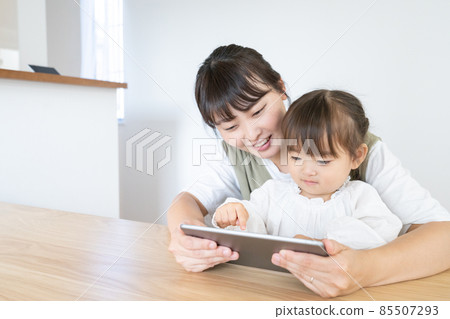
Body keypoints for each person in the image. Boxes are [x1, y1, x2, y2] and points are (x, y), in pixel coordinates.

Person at [167, 44, 450, 297]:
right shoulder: (238, 154)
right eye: (230, 127)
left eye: (257, 111)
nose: (251, 133)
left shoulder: (352, 144)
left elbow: (443, 237)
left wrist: (362, 269)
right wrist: (186, 241)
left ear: (280, 87)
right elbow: (186, 202)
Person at [212, 89, 403, 250]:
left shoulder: (361, 197)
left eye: (323, 161)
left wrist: (323, 244)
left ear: (356, 157)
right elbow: (252, 223)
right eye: (296, 157)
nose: (307, 171)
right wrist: (235, 213)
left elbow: (382, 235)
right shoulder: (273, 193)